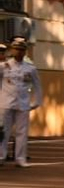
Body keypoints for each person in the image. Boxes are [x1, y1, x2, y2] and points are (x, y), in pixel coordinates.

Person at [0, 38, 41, 166]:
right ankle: (1, 156)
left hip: (23, 103)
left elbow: (37, 86)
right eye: (16, 49)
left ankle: (20, 158)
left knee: (22, 132)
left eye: (21, 50)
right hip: (5, 102)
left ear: (25, 52)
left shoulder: (30, 68)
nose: (19, 52)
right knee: (3, 131)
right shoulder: (3, 66)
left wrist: (36, 101)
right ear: (12, 50)